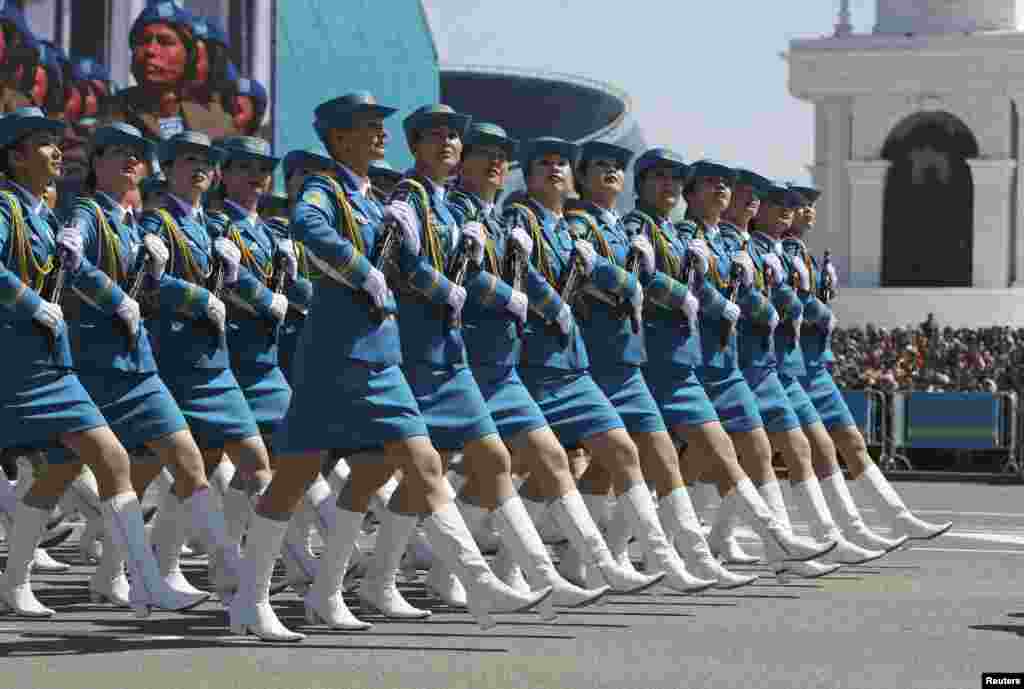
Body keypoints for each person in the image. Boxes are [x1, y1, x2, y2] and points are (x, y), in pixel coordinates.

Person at [265, 92, 550, 641]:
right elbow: (308, 225)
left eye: (380, 126)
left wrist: (461, 258)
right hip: (338, 356)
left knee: (406, 465)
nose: (379, 134)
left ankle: (341, 590)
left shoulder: (378, 199)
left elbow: (407, 262)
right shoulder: (332, 188)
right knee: (291, 477)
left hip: (380, 354)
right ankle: (259, 596)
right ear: (340, 136)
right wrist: (363, 271)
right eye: (369, 126)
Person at [503, 136, 734, 596]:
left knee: (625, 459)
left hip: (613, 357)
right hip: (575, 355)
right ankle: (487, 560)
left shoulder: (605, 228)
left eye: (617, 167)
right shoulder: (574, 222)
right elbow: (579, 276)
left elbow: (622, 276)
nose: (611, 173)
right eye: (600, 166)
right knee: (526, 464)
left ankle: (634, 558)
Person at [0, 107, 205, 618]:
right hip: (18, 361)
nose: (55, 152)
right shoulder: (6, 208)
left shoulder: (44, 216)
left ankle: (126, 581)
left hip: (50, 361)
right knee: (96, 463)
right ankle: (143, 581)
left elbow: (78, 276)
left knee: (80, 467)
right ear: (16, 155)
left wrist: (140, 275)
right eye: (44, 143)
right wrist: (30, 302)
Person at [62, 122, 243, 605]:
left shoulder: (129, 221)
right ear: (96, 163)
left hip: (136, 363)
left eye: (135, 155)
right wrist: (116, 296)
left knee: (188, 463)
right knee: (59, 475)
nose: (129, 162)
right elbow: (72, 259)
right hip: (96, 362)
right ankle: (114, 575)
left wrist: (160, 275)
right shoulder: (88, 211)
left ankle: (228, 569)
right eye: (117, 153)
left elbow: (148, 289)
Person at [675, 161, 838, 578]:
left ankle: (767, 544)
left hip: (735, 361)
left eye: (732, 187)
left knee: (741, 451)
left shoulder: (736, 245)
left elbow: (759, 292)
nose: (735, 195)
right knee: (651, 457)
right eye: (716, 185)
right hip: (701, 359)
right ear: (689, 194)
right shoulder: (684, 237)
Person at [139, 130, 280, 600]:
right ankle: (217, 567)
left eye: (205, 160)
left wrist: (267, 295)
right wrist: (197, 296)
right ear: (167, 169)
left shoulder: (213, 229)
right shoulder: (156, 223)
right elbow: (146, 285)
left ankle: (200, 565)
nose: (198, 167)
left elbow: (236, 284)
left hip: (213, 360)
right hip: (178, 356)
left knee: (248, 462)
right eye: (187, 160)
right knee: (179, 467)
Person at [785, 184, 952, 542]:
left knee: (851, 441)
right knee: (747, 453)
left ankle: (894, 518)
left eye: (810, 206)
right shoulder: (781, 253)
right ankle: (845, 530)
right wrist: (816, 305)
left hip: (814, 364)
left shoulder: (805, 254)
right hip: (789, 364)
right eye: (799, 206)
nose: (807, 212)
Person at [102, 2, 237, 141]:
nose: (150, 50)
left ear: (189, 56)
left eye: (165, 42)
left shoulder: (216, 121)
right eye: (143, 41)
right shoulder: (113, 111)